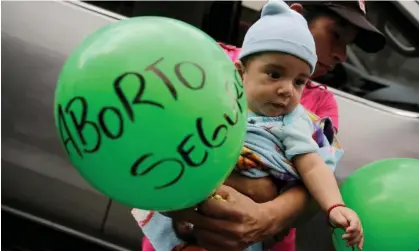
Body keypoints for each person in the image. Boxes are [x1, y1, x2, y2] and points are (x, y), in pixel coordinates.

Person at [135, 1, 385, 251]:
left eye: (299, 81)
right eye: (336, 35)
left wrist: (332, 206)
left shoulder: (306, 114)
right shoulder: (206, 70)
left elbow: (314, 169)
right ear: (240, 72)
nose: (341, 54)